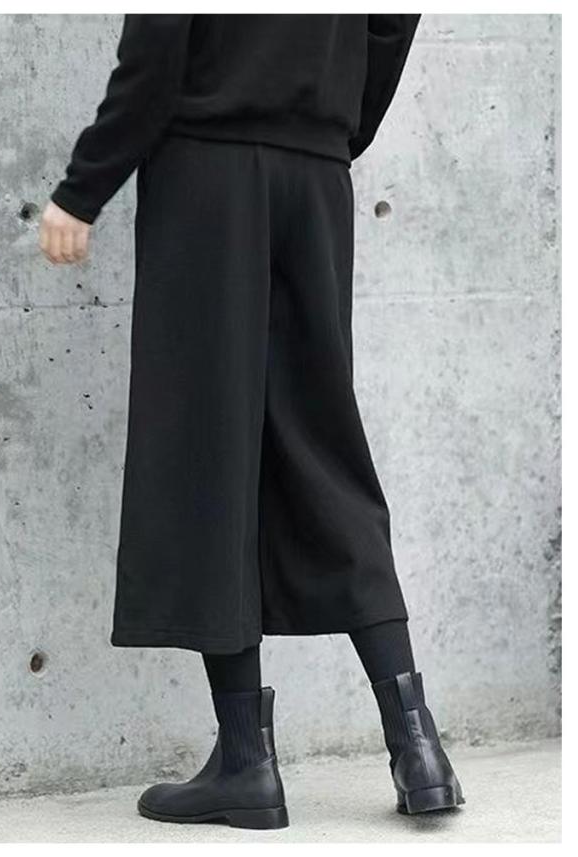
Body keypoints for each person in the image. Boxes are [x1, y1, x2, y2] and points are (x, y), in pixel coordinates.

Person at [39, 14, 465, 830]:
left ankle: (246, 762)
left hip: (210, 171)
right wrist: (329, 125)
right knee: (325, 450)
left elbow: (160, 44)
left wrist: (82, 188)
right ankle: (419, 747)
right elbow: (392, 18)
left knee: (206, 451)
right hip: (317, 176)